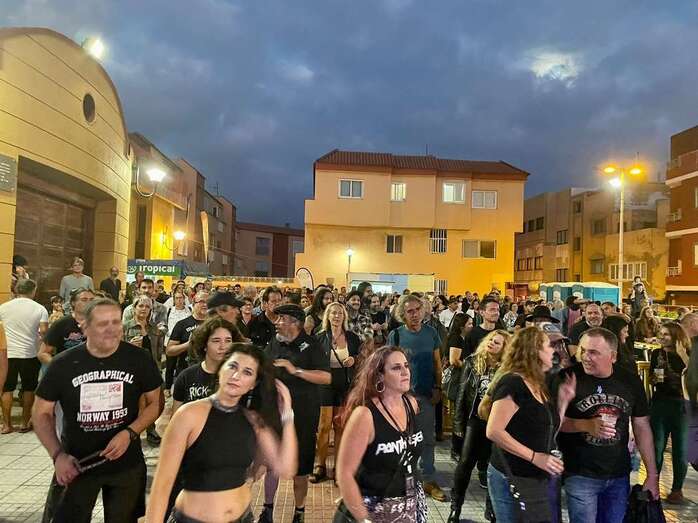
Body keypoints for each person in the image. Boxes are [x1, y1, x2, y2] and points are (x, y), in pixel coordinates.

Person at [33, 298, 163, 522]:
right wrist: (57, 455)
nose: (111, 329)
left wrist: (130, 432)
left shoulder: (139, 358)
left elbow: (156, 403)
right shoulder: (63, 364)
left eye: (116, 322)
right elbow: (41, 413)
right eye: (103, 323)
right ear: (85, 327)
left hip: (126, 463)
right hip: (77, 462)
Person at [146, 343, 298, 523]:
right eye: (232, 366)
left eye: (247, 372)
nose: (236, 376)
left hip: (242, 518)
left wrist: (287, 414)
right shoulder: (188, 414)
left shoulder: (253, 419)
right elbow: (162, 485)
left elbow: (285, 468)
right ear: (220, 369)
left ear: (253, 384)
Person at [558, 327, 659, 522]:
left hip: (618, 473)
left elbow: (641, 426)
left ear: (612, 356)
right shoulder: (568, 378)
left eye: (593, 352)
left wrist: (652, 475)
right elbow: (553, 424)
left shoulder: (629, 381)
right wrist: (585, 425)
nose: (585, 357)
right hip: (580, 472)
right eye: (582, 350)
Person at [481, 326, 574, 523]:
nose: (554, 351)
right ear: (534, 351)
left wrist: (564, 401)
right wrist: (535, 457)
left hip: (534, 477)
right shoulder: (513, 383)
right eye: (549, 346)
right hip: (511, 475)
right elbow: (494, 431)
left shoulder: (539, 384)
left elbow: (548, 428)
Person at [335, 346, 427, 522]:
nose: (405, 372)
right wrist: (364, 519)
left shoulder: (411, 404)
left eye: (406, 366)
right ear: (379, 376)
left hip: (408, 505)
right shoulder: (365, 415)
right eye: (396, 368)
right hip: (372, 507)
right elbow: (344, 473)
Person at [259, 304, 331, 523]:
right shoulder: (275, 342)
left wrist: (295, 370)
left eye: (281, 318)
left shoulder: (312, 345)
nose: (277, 322)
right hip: (275, 413)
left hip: (303, 415)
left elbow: (326, 377)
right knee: (272, 463)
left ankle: (299, 512)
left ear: (295, 323)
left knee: (300, 468)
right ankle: (267, 509)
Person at [386, 294, 446, 502]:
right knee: (402, 439)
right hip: (401, 397)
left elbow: (437, 363)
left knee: (427, 438)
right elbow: (388, 366)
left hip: (426, 395)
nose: (415, 314)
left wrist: (438, 387)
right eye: (410, 311)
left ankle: (429, 479)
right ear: (403, 314)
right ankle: (404, 478)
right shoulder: (396, 335)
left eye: (417, 310)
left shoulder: (431, 333)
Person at [449, 330, 511, 523]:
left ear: (505, 348)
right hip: (475, 419)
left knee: (494, 467)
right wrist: (458, 423)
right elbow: (462, 393)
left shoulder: (508, 368)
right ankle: (455, 507)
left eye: (497, 342)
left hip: (498, 422)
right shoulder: (472, 362)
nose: (491, 343)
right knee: (465, 463)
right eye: (491, 340)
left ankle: (491, 510)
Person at [310, 302, 361, 484]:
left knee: (340, 426)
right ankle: (320, 465)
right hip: (325, 383)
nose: (337, 316)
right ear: (328, 316)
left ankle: (339, 468)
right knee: (324, 426)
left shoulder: (352, 338)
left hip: (344, 383)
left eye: (340, 313)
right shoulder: (319, 337)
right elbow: (312, 361)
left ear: (344, 316)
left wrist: (353, 359)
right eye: (333, 313)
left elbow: (361, 357)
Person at [649, 321, 691, 504]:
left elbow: (694, 376)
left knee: (680, 449)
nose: (662, 337)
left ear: (676, 336)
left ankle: (677, 489)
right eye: (661, 333)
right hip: (660, 404)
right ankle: (653, 486)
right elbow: (653, 377)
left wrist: (683, 356)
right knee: (656, 447)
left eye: (666, 334)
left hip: (682, 406)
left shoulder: (689, 354)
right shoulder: (656, 353)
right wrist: (655, 378)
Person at [0, 279, 48, 434]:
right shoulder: (40, 308)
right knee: (29, 388)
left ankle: (6, 424)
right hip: (30, 353)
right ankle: (24, 422)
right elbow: (44, 332)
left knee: (7, 388)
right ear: (33, 291)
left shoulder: (3, 307)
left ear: (16, 290)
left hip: (7, 353)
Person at [38, 288, 95, 364]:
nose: (89, 303)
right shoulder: (61, 324)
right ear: (73, 303)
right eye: (84, 300)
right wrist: (59, 367)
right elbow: (43, 353)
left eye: (92, 300)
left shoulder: (100, 323)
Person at [166, 291, 209, 369]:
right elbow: (169, 351)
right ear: (193, 304)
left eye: (208, 302)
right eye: (201, 301)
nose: (205, 305)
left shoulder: (215, 324)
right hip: (186, 369)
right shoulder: (182, 324)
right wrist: (189, 344)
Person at [165, 291, 193, 391]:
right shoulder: (169, 310)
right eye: (176, 298)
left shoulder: (189, 310)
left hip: (185, 342)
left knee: (182, 365)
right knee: (170, 366)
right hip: (171, 341)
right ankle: (167, 387)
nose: (179, 300)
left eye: (181, 298)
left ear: (184, 299)